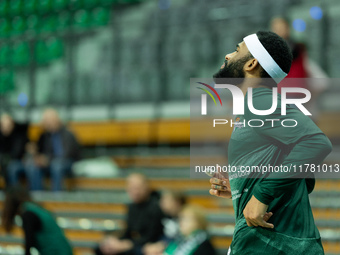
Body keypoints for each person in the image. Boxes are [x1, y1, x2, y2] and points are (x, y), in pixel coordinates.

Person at [210, 31, 332, 254]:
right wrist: (244, 185)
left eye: (237, 50)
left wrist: (261, 194)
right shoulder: (255, 104)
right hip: (274, 241)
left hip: (272, 244)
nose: (228, 55)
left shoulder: (259, 100)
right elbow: (304, 180)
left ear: (252, 63)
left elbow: (317, 143)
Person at [270, 16, 329, 120]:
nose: (279, 31)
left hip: (294, 97)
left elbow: (321, 81)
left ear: (288, 28)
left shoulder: (298, 51)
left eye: (281, 27)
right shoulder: (268, 53)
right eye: (276, 28)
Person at [95, 173, 163, 255]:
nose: (135, 192)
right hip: (133, 243)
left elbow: (151, 237)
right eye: (131, 189)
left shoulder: (157, 206)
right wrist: (116, 241)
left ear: (146, 187)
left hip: (149, 245)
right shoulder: (131, 207)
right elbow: (128, 231)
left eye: (137, 188)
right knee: (102, 247)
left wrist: (127, 245)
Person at [1, 186, 73, 255]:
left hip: (55, 252)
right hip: (64, 250)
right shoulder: (36, 208)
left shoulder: (28, 214)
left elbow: (29, 242)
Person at [25, 108, 80, 191]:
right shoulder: (44, 135)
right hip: (50, 163)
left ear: (57, 120)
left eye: (49, 120)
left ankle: (56, 199)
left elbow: (66, 154)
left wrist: (48, 159)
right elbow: (40, 151)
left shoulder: (67, 134)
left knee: (56, 165)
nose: (47, 123)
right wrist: (37, 156)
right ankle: (38, 196)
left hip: (68, 162)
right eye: (45, 121)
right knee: (33, 167)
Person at [143, 190, 187, 255]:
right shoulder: (162, 215)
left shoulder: (185, 217)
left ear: (177, 202)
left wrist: (164, 245)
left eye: (166, 200)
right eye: (162, 200)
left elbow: (184, 239)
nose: (161, 203)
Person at [0, 113, 29, 187]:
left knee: (12, 167)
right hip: (4, 161)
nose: (5, 128)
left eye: (8, 125)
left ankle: (14, 193)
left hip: (18, 161)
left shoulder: (18, 136)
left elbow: (16, 153)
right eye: (3, 126)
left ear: (12, 125)